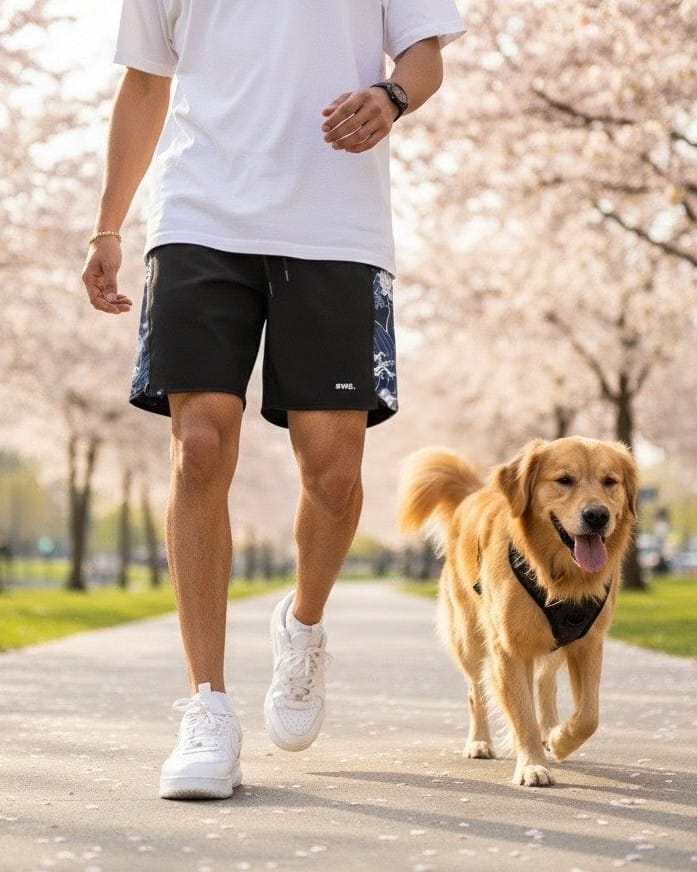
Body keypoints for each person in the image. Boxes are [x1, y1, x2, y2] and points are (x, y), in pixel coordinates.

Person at [82, 0, 465, 801]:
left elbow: (423, 58)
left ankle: (302, 627)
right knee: (201, 446)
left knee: (331, 475)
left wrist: (392, 99)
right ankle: (207, 708)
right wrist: (107, 227)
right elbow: (146, 83)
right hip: (198, 215)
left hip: (335, 226)